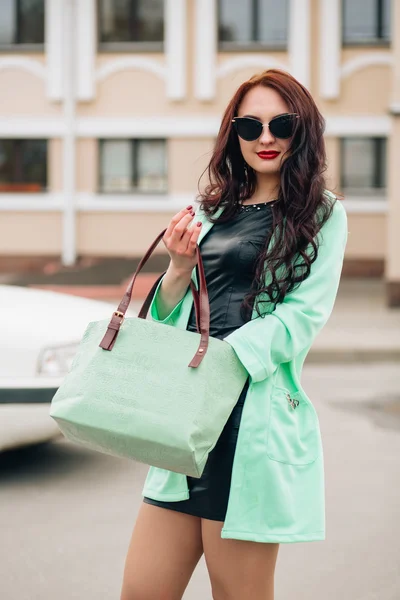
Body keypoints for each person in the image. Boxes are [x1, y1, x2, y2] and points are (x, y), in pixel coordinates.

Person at [120, 69, 348, 600]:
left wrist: (219, 359)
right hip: (187, 425)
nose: (265, 137)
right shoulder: (208, 208)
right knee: (141, 591)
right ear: (234, 133)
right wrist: (176, 269)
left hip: (252, 422)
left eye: (281, 123)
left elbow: (300, 319)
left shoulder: (322, 214)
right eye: (250, 125)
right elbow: (168, 323)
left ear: (302, 129)